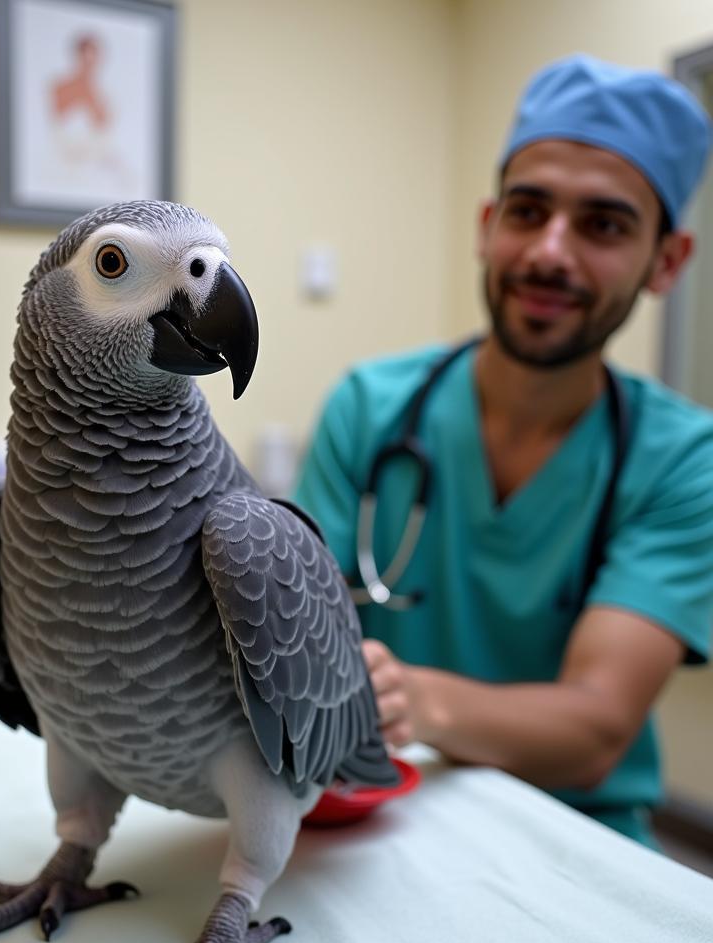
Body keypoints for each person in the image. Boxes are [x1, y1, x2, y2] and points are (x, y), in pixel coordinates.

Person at [294, 53, 713, 849]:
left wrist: (406, 698)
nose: (551, 252)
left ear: (667, 261)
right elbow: (289, 624)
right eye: (528, 210)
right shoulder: (369, 408)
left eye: (603, 225)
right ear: (488, 228)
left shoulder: (687, 460)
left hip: (579, 840)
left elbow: (594, 729)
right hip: (378, 812)